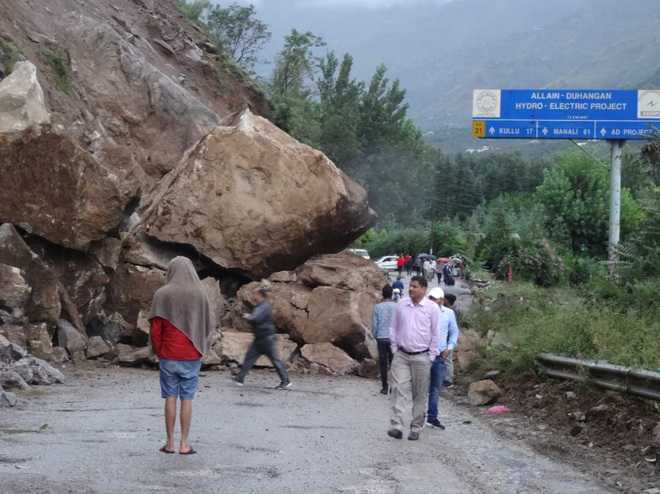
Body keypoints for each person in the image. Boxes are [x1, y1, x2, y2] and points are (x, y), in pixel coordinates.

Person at [149, 256, 214, 455]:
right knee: (187, 398)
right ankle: (184, 444)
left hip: (168, 354)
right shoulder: (201, 294)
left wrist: (158, 351)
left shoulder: (162, 294)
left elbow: (155, 329)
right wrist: (202, 347)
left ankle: (169, 443)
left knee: (170, 396)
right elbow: (209, 326)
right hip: (192, 354)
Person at [388, 276, 441, 441]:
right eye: (410, 286)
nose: (411, 289)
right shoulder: (401, 304)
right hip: (402, 355)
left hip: (422, 356)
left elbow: (436, 333)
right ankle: (396, 425)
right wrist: (394, 348)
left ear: (424, 289)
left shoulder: (432, 308)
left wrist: (431, 356)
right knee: (398, 388)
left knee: (420, 394)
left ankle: (416, 427)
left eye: (415, 286)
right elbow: (394, 327)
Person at [234, 285, 291, 389]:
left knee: (275, 360)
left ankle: (285, 381)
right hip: (260, 338)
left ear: (260, 295)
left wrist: (248, 317)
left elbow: (256, 318)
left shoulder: (264, 306)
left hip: (267, 339)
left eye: (254, 294)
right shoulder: (261, 305)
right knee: (249, 358)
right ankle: (240, 378)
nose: (253, 296)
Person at [425, 287, 459, 429]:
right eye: (431, 298)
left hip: (439, 356)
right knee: (421, 388)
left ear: (442, 300)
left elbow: (454, 332)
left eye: (436, 299)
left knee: (435, 389)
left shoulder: (449, 314)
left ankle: (432, 417)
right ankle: (418, 417)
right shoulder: (422, 312)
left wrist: (449, 348)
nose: (433, 301)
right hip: (423, 355)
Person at [372, 285, 398, 395]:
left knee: (383, 363)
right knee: (394, 363)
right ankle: (393, 387)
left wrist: (375, 335)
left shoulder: (377, 307)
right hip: (393, 339)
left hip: (381, 338)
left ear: (383, 294)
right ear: (392, 294)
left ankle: (384, 387)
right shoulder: (397, 306)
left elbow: (374, 324)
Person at [443, 293, 459, 387]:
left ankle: (448, 380)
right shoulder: (454, 310)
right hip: (447, 337)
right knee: (446, 360)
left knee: (447, 359)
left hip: (448, 338)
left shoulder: (450, 312)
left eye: (444, 299)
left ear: (447, 301)